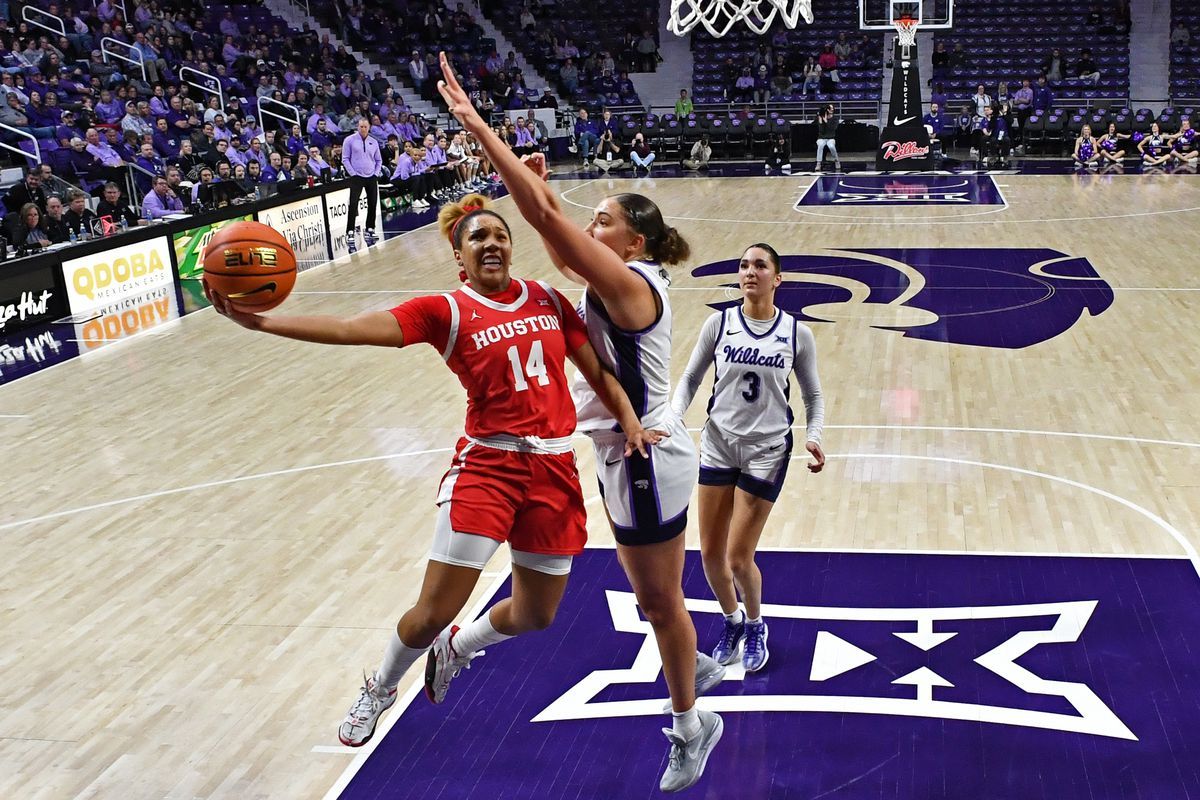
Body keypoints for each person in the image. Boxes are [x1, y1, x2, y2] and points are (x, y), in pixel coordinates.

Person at [202, 192, 661, 750]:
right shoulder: (443, 311)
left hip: (553, 467)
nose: (492, 244)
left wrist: (630, 422)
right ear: (459, 258)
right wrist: (266, 324)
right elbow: (352, 328)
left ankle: (459, 647)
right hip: (488, 467)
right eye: (478, 239)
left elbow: (597, 370)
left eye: (500, 236)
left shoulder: (546, 298)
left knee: (537, 616)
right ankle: (381, 685)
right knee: (431, 611)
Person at [438, 52, 725, 794]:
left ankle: (693, 725)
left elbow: (541, 221)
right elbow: (558, 237)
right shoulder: (621, 271)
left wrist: (480, 131)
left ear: (631, 244)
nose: (587, 228)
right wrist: (543, 188)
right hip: (622, 450)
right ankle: (697, 665)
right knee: (657, 598)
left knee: (659, 603)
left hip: (645, 455)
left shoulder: (631, 285)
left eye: (603, 222)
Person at [671, 243, 825, 672]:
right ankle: (732, 619)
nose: (749, 271)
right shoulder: (718, 324)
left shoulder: (797, 332)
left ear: (778, 279)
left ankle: (756, 623)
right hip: (720, 441)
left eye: (760, 265)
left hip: (767, 450)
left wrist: (814, 435)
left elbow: (812, 393)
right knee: (708, 555)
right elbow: (689, 377)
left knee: (739, 557)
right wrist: (670, 419)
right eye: (743, 265)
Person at [343, 117, 382, 253]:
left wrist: (376, 173)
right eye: (361, 127)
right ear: (357, 127)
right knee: (353, 204)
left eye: (365, 127)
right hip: (356, 177)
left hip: (371, 176)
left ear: (369, 127)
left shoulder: (374, 142)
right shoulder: (349, 140)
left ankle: (370, 228)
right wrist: (352, 173)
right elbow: (345, 158)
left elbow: (378, 160)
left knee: (372, 203)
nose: (363, 129)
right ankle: (350, 231)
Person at [815, 104, 840, 171]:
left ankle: (836, 160)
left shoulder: (835, 118)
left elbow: (833, 128)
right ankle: (818, 163)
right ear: (827, 110)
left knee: (831, 146)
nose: (832, 109)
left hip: (831, 138)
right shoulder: (821, 118)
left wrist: (826, 121)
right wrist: (820, 122)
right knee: (820, 145)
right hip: (821, 138)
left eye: (832, 108)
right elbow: (821, 131)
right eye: (830, 108)